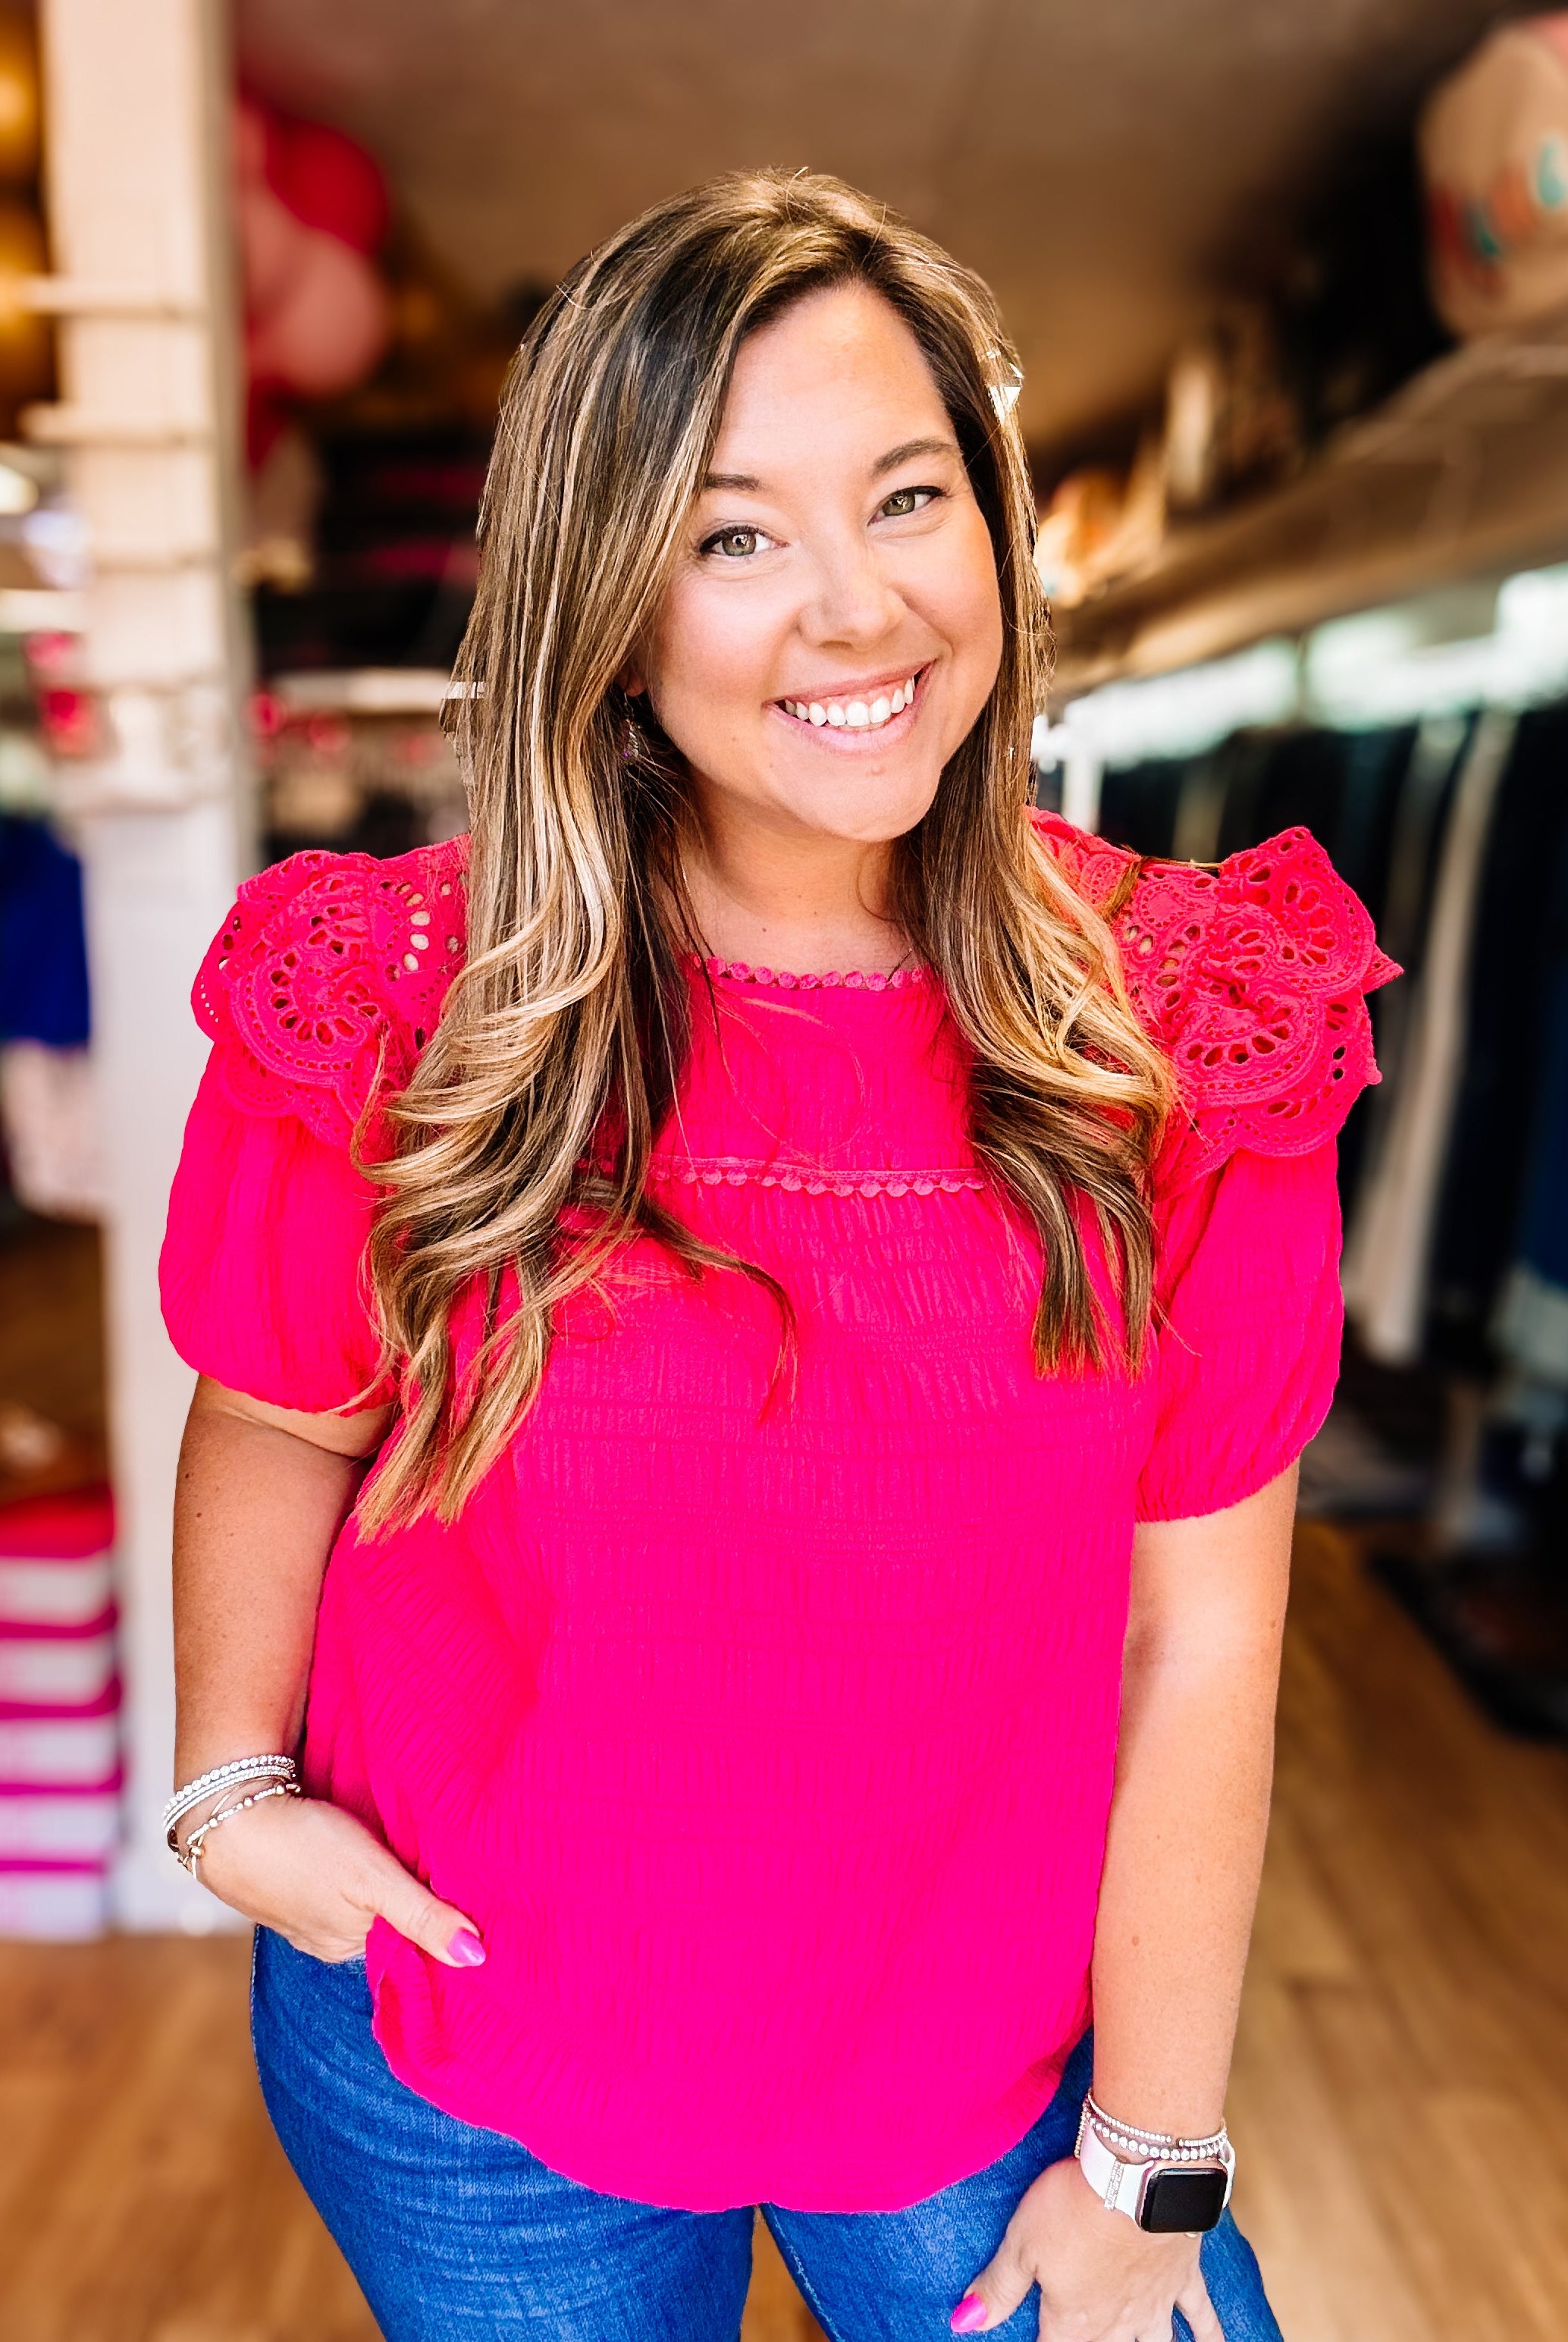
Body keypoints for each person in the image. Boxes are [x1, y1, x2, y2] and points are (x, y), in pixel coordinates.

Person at [160, 171, 1391, 2342]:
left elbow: (1196, 1644)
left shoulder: (1186, 1013)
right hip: (469, 2062)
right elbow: (275, 1410)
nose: (857, 610)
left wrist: (1151, 2162)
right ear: (609, 603)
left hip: (992, 2081)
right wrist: (228, 1781)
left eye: (908, 497)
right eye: (735, 535)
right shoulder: (406, 985)